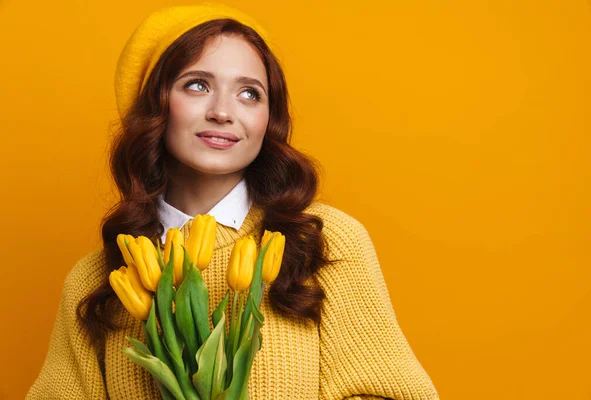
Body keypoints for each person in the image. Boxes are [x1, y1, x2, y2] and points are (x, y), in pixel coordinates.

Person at [26, 4, 439, 399]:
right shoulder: (100, 278)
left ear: (268, 119)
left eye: (249, 94)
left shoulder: (324, 243)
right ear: (154, 105)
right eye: (197, 85)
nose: (224, 112)